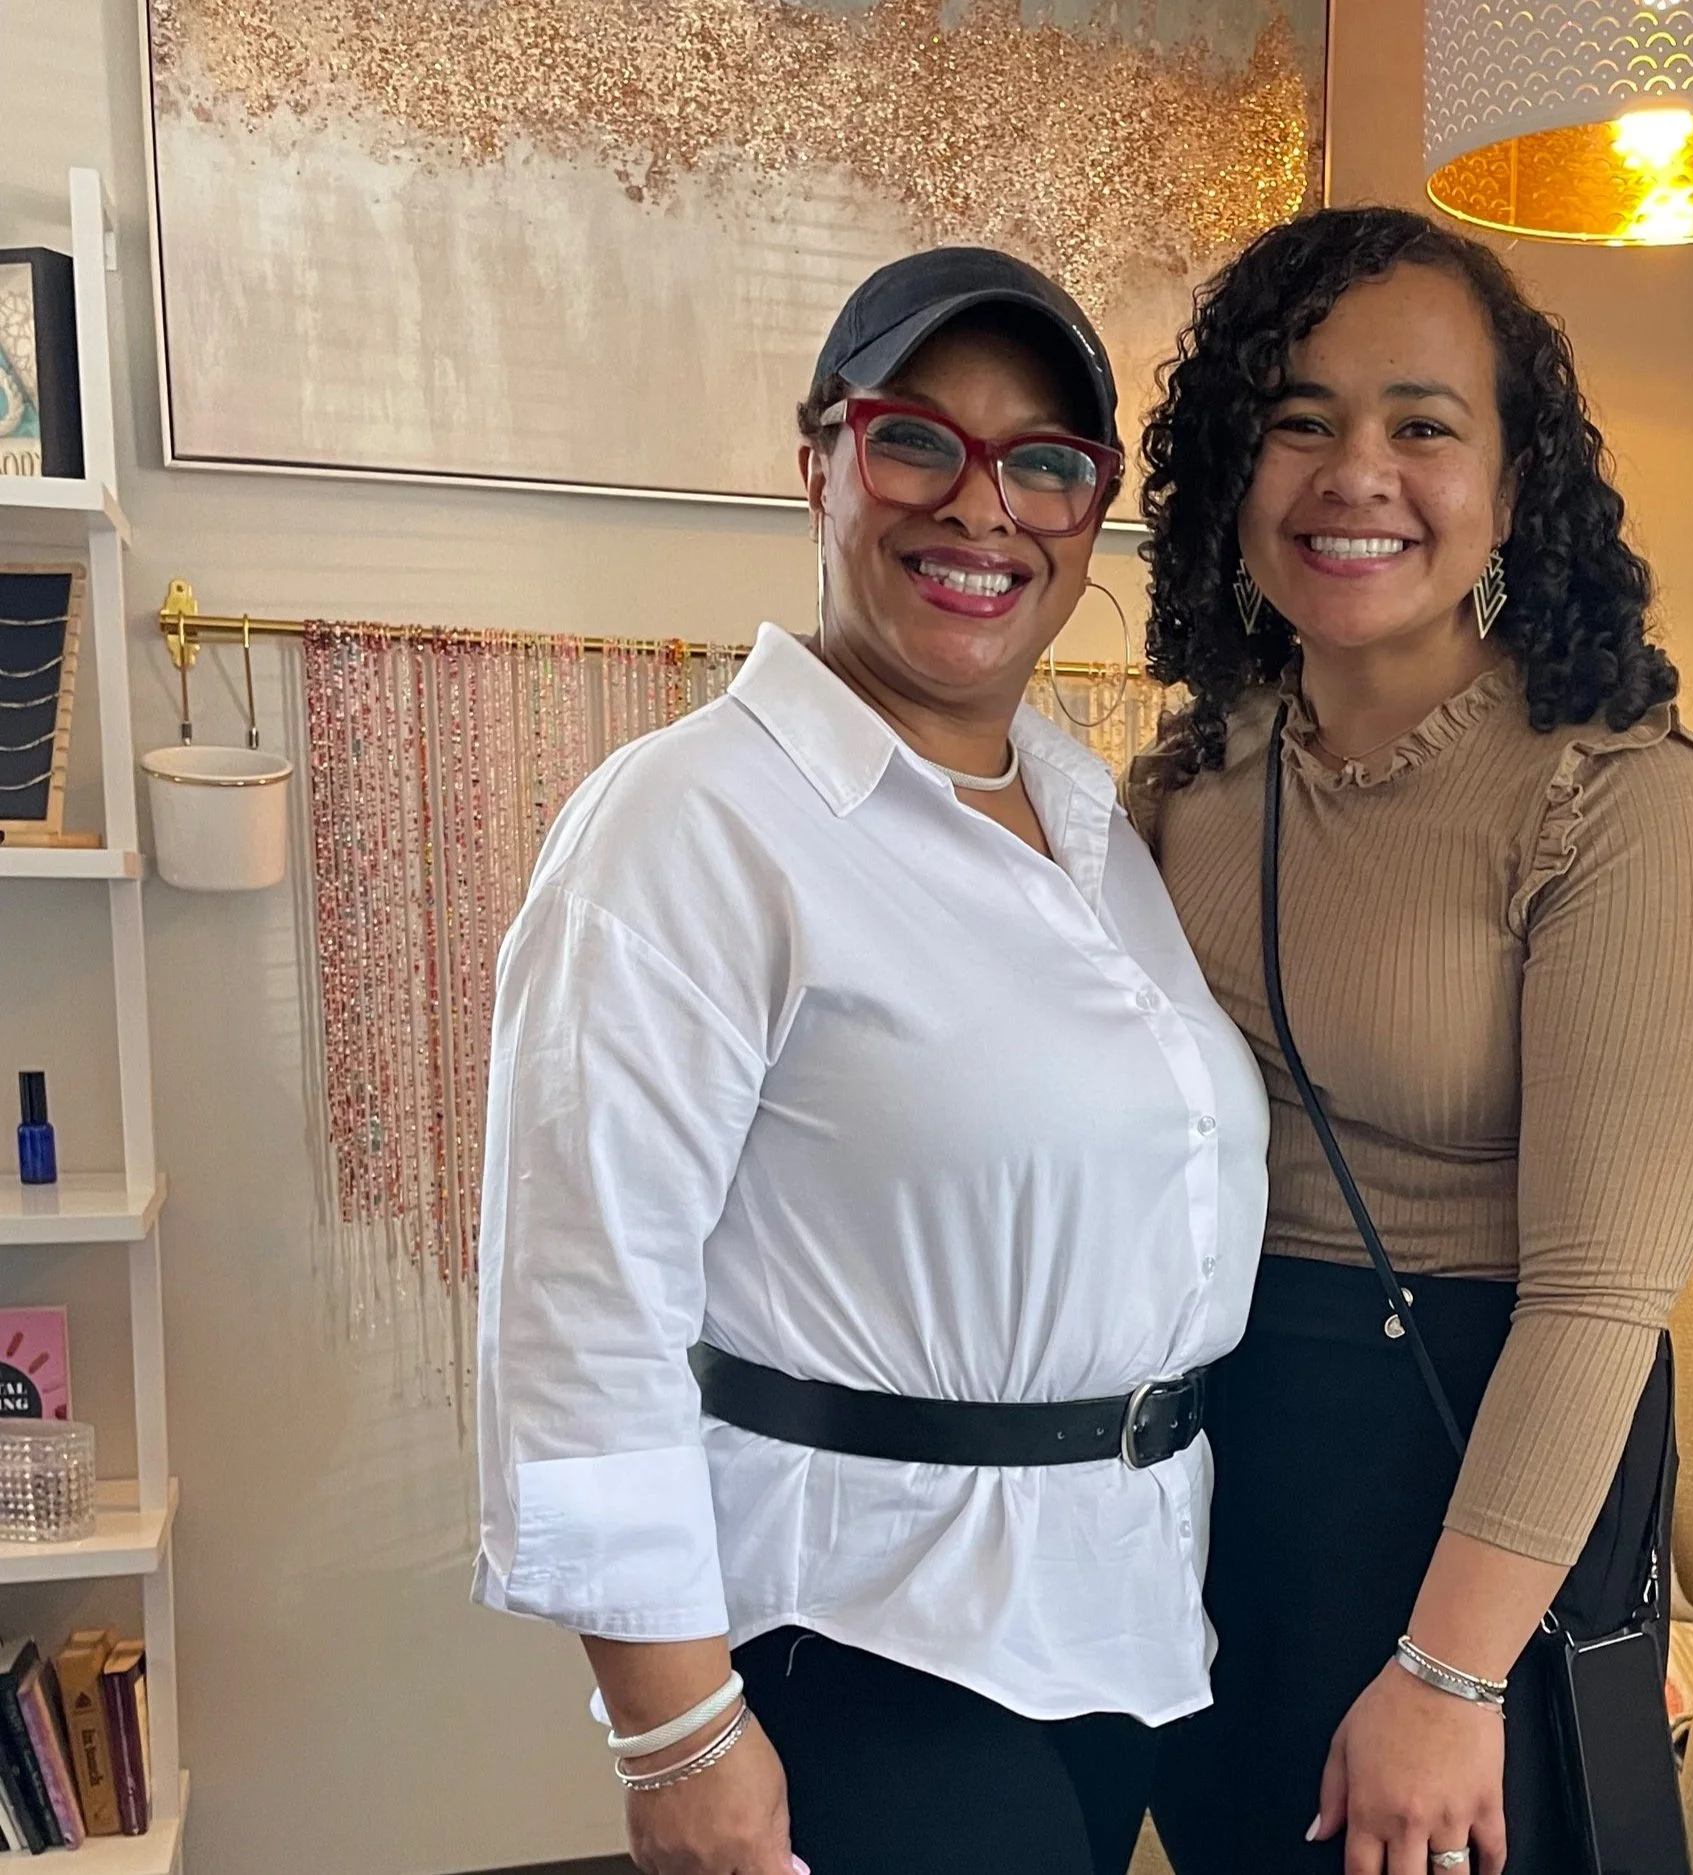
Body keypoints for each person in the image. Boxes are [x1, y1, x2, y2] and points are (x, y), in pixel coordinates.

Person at [472, 247, 1268, 1875]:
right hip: (866, 1650)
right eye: (920, 438)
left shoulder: (1096, 827)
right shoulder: (689, 823)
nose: (985, 509)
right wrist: (676, 1734)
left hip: (1113, 1628)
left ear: (1092, 507)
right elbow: (576, 1311)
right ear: (819, 456)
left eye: (1045, 463)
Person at [1130, 206, 1693, 1875]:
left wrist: (1448, 1667)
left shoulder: (1622, 808)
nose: (1358, 471)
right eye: (1300, 419)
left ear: (1511, 482)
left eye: (1423, 423)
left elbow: (1599, 1306)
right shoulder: (1189, 787)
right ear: (1233, 469)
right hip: (1217, 1476)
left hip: (1468, 1483)